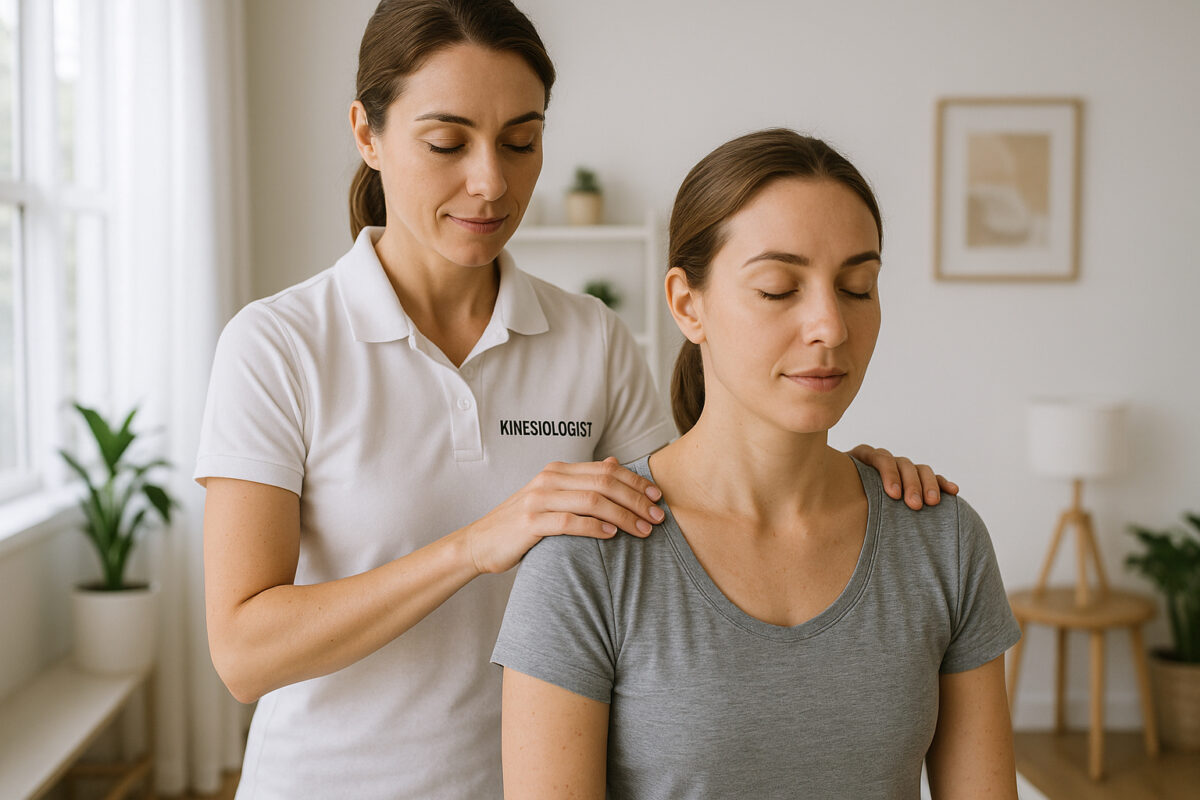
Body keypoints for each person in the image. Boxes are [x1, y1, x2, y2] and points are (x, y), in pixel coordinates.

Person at [197, 3, 957, 798]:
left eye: (521, 141)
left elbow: (697, 512)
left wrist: (846, 481)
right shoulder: (279, 346)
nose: (491, 181)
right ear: (366, 132)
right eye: (447, 142)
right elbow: (244, 653)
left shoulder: (589, 339)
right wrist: (474, 545)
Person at [494, 129, 1022, 799]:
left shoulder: (942, 538)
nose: (830, 325)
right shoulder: (588, 557)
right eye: (778, 289)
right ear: (689, 305)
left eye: (858, 287)